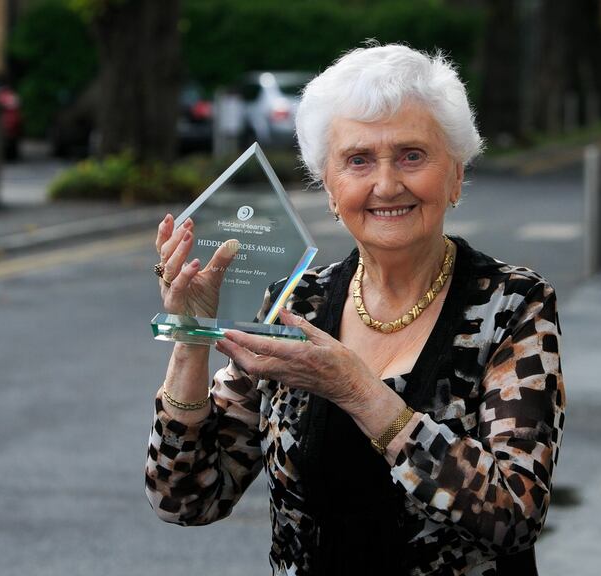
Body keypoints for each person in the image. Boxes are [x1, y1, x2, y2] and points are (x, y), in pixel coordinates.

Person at [146, 44, 565, 576]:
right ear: (329, 187)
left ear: (456, 175)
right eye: (358, 160)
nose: (386, 185)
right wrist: (192, 336)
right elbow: (185, 500)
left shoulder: (513, 305)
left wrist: (357, 391)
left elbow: (515, 515)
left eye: (412, 155)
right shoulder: (296, 303)